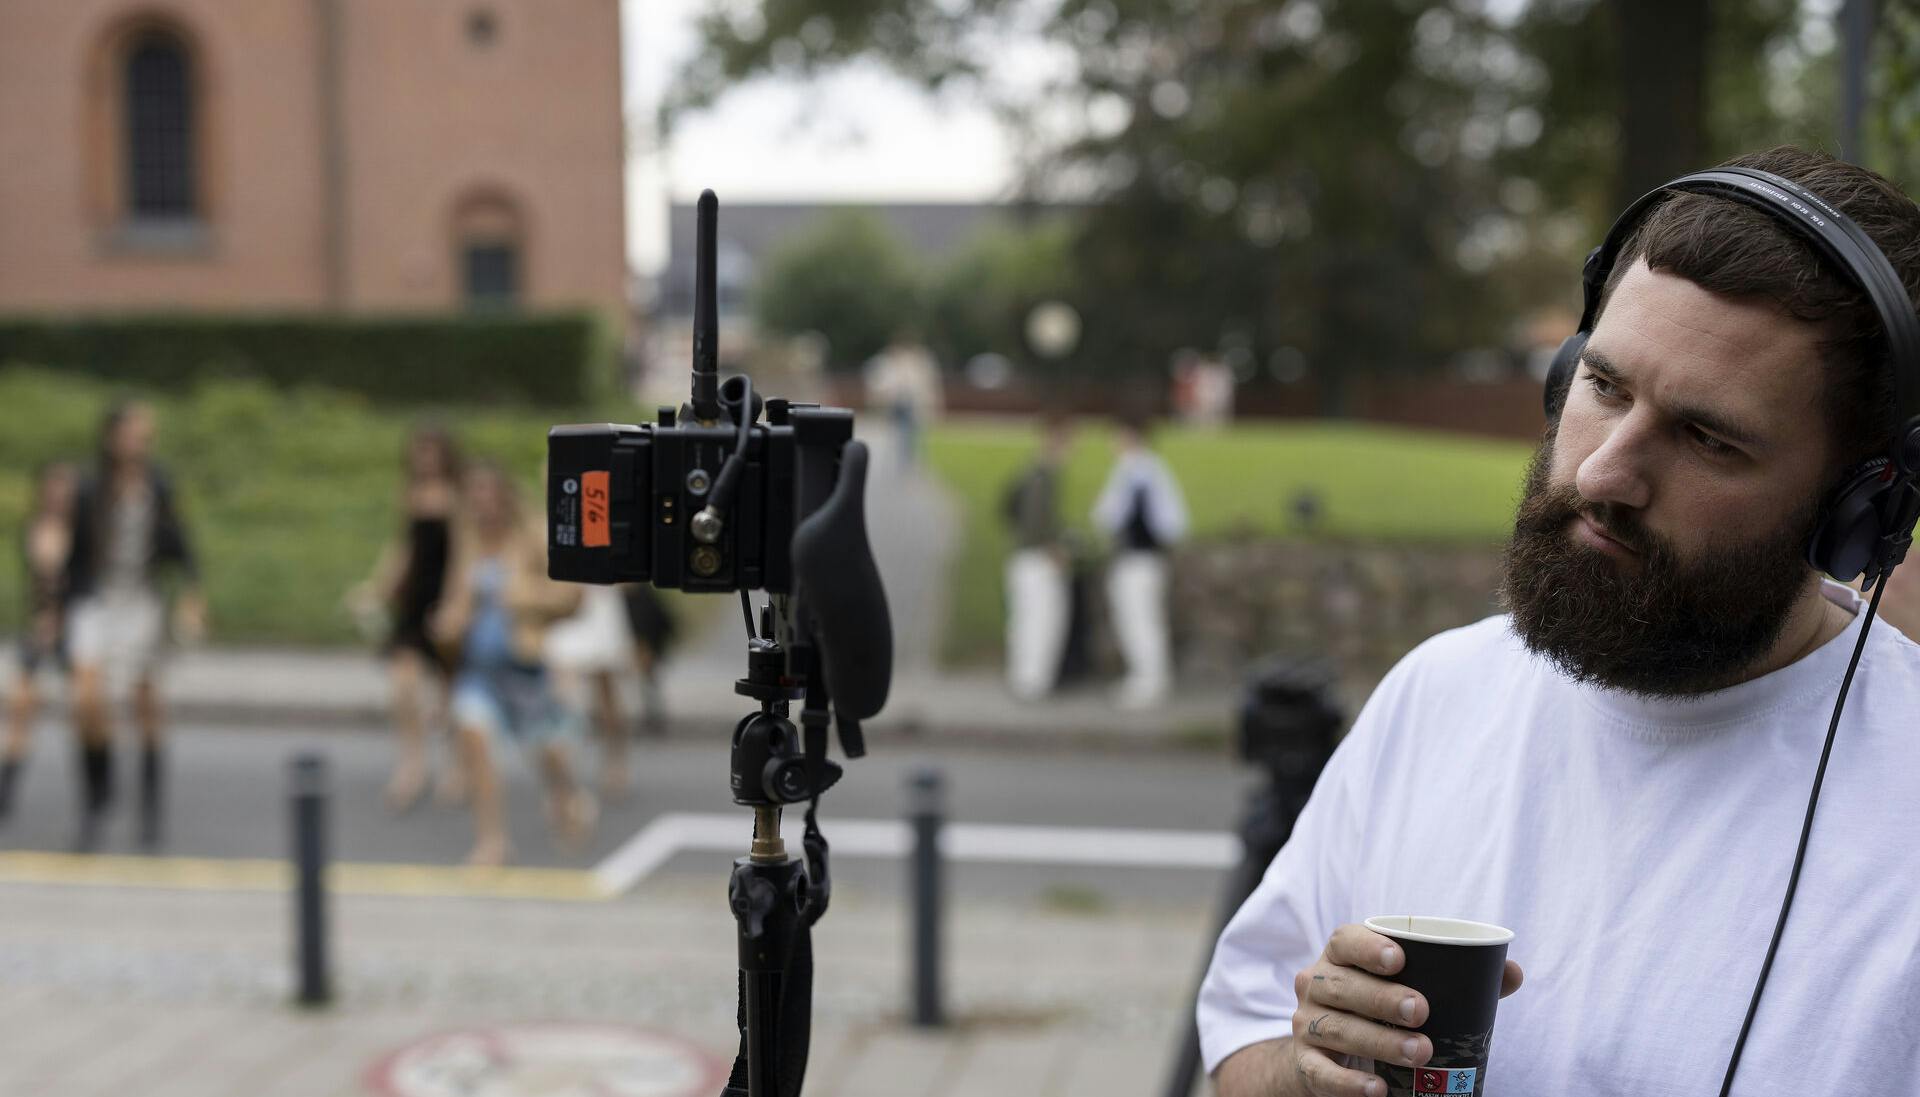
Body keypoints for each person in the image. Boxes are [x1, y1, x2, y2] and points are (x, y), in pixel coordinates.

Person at [1199, 147, 1920, 1096]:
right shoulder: (1437, 693)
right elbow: (1242, 1039)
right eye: (1606, 387)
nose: (1603, 473)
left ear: (1855, 507)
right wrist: (1308, 1066)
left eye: (1708, 437)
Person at [431, 462, 593, 867]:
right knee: (474, 738)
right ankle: (492, 841)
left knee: (548, 753)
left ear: (504, 496)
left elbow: (572, 596)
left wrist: (522, 596)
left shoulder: (531, 535)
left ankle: (566, 796)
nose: (482, 505)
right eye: (474, 497)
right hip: (479, 673)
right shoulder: (467, 542)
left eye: (488, 494)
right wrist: (448, 623)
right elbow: (456, 600)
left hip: (526, 669)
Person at [65, 401, 206, 852]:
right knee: (87, 699)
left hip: (141, 601)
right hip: (97, 600)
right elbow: (73, 556)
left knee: (148, 707)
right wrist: (54, 611)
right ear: (113, 436)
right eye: (134, 432)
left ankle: (149, 813)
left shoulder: (157, 484)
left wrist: (191, 592)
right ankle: (98, 796)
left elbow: (181, 543)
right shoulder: (90, 488)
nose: (141, 442)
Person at [348, 424, 463, 813]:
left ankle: (456, 765)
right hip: (416, 602)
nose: (425, 460)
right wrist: (378, 588)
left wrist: (457, 602)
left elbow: (465, 553)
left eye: (432, 452)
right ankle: (413, 765)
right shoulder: (411, 494)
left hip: (448, 598)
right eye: (420, 452)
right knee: (403, 685)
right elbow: (403, 548)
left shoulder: (458, 497)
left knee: (452, 695)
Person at [1091, 412, 1187, 708]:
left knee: (1140, 619)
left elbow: (1109, 515)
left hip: (1139, 558)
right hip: (1140, 558)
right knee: (1139, 619)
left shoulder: (1137, 472)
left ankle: (1149, 681)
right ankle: (1147, 678)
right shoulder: (1145, 470)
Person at [2, 462, 80, 822]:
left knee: (85, 710)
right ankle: (7, 789)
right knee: (21, 707)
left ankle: (94, 788)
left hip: (76, 628)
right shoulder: (35, 529)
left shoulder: (84, 534)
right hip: (40, 627)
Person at [1002, 413, 1075, 700]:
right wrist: (1052, 549)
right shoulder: (1041, 478)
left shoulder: (1033, 474)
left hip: (1026, 557)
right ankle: (1031, 682)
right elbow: (1033, 520)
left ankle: (1028, 680)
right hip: (1035, 559)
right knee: (1039, 621)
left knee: (1028, 620)